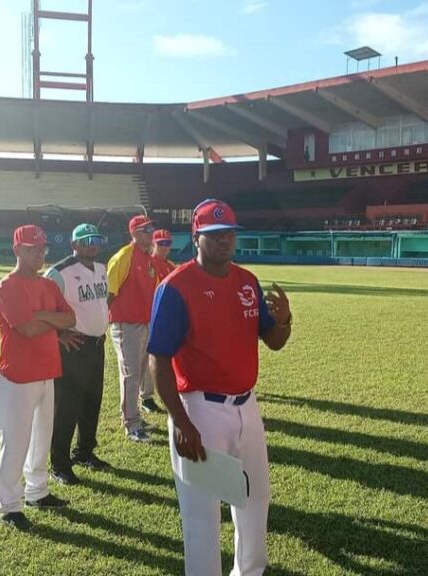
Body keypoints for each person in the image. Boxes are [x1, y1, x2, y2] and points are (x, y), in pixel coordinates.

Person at [148, 199, 292, 576]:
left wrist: (285, 321)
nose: (223, 241)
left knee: (256, 498)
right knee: (201, 512)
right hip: (199, 407)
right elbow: (159, 360)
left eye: (228, 233)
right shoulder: (175, 287)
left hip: (247, 406)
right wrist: (180, 421)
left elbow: (273, 340)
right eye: (213, 235)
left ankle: (250, 571)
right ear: (196, 237)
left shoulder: (247, 281)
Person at [0, 225, 76, 531]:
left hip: (46, 372)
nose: (38, 255)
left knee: (41, 439)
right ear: (17, 250)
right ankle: (8, 505)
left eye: (42, 250)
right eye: (31, 250)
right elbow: (25, 330)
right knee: (15, 443)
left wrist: (39, 316)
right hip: (15, 376)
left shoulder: (47, 285)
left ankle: (37, 492)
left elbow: (71, 318)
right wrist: (49, 321)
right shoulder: (7, 286)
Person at [45, 224, 111, 486]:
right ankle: (59, 464)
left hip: (96, 345)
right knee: (67, 407)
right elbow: (43, 308)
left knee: (92, 402)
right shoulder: (59, 273)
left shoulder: (102, 269)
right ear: (74, 245)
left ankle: (84, 452)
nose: (92, 244)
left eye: (95, 239)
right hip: (74, 346)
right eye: (86, 240)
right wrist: (59, 336)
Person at [108, 215, 162, 441]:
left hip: (143, 323)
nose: (150, 233)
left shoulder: (147, 257)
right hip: (126, 324)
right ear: (134, 233)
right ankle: (131, 424)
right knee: (130, 374)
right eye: (145, 230)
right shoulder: (124, 257)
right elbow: (109, 294)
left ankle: (136, 416)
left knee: (139, 372)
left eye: (151, 229)